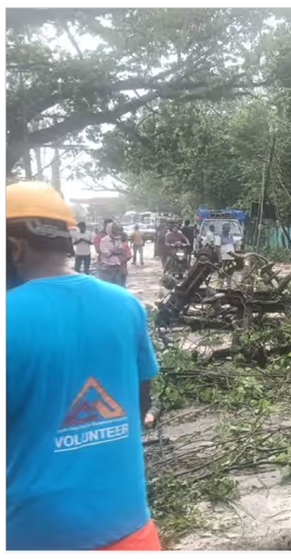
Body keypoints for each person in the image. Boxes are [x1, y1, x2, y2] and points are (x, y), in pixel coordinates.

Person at [6, 182, 161, 550]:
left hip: (33, 538)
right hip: (133, 536)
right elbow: (139, 406)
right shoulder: (125, 305)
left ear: (14, 246)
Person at [218, 222, 237, 288]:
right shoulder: (219, 236)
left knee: (230, 272)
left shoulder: (231, 236)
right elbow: (217, 248)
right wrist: (220, 258)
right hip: (224, 258)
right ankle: (220, 287)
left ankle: (229, 286)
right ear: (223, 229)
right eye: (226, 228)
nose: (228, 229)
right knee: (222, 273)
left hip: (231, 258)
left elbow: (234, 245)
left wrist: (235, 255)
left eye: (228, 228)